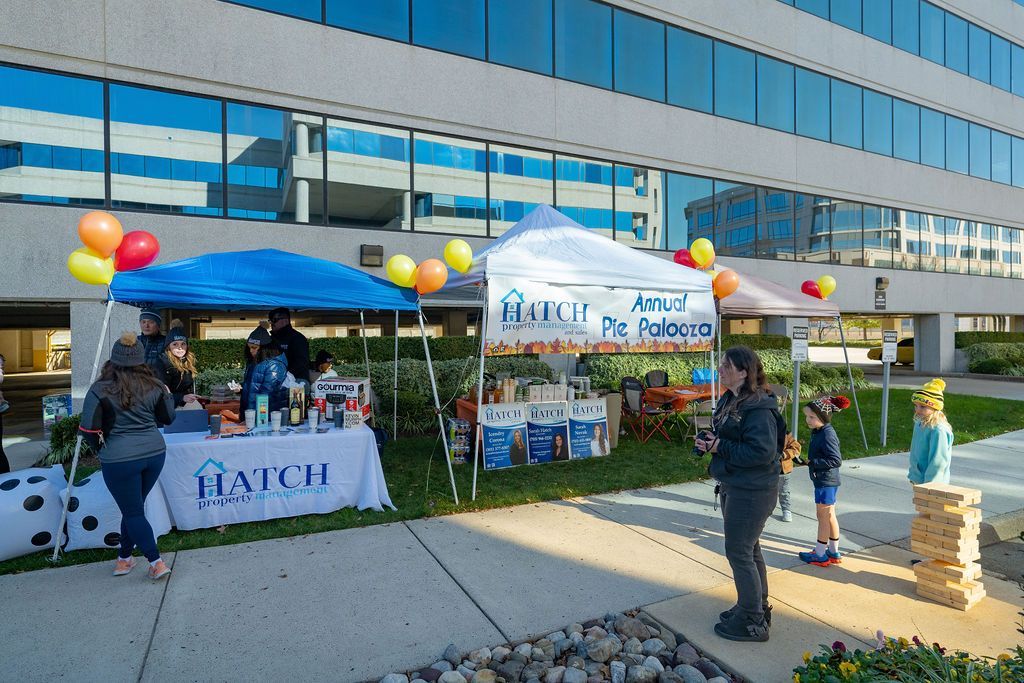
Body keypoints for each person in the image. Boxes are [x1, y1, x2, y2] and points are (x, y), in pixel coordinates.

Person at [696, 346, 785, 643]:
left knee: (739, 551)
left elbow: (761, 453)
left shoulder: (759, 408)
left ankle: (751, 620)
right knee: (749, 549)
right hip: (736, 484)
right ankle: (754, 606)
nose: (720, 370)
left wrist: (720, 447)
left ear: (744, 372)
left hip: (752, 490)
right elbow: (732, 437)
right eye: (721, 364)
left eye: (726, 366)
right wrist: (711, 441)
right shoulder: (732, 399)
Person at [78, 332, 176, 580]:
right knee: (133, 509)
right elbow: (168, 418)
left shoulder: (99, 389)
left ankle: (156, 562)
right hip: (155, 453)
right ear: (141, 359)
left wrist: (101, 450)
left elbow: (88, 429)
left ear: (113, 359)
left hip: (119, 458)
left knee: (133, 512)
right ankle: (124, 558)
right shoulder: (155, 384)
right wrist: (167, 395)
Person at [797, 395, 850, 567]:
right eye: (807, 416)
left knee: (823, 517)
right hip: (826, 480)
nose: (808, 420)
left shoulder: (827, 434)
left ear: (823, 417)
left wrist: (812, 462)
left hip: (826, 481)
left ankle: (820, 554)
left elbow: (836, 460)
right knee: (830, 515)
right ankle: (833, 551)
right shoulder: (820, 431)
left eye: (812, 417)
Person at [908, 379, 953, 486]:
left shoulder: (938, 430)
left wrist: (931, 484)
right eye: (916, 405)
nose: (917, 410)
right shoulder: (920, 424)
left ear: (935, 407)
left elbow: (938, 460)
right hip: (918, 479)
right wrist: (914, 475)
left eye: (923, 406)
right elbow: (915, 452)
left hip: (932, 483)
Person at [242, 324, 289, 413]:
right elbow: (254, 384)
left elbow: (266, 395)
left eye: (254, 347)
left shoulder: (274, 365)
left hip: (267, 416)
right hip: (254, 413)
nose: (251, 350)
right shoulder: (255, 362)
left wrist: (254, 416)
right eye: (249, 347)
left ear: (264, 348)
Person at [156, 320, 199, 408]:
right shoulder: (162, 362)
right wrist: (181, 398)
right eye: (175, 344)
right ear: (168, 346)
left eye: (183, 344)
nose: (180, 348)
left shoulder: (188, 361)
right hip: (166, 406)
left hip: (182, 403)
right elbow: (160, 394)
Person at [268, 308, 310, 388]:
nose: (271, 324)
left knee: (294, 395)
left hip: (297, 380)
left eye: (274, 320)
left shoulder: (297, 338)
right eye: (270, 321)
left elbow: (302, 361)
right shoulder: (272, 339)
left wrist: (287, 375)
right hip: (277, 380)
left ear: (285, 320)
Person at [777, 432, 801, 523]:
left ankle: (786, 510)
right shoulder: (763, 432)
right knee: (766, 492)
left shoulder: (787, 435)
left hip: (783, 470)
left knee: (784, 491)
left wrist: (784, 454)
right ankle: (763, 511)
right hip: (767, 469)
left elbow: (796, 448)